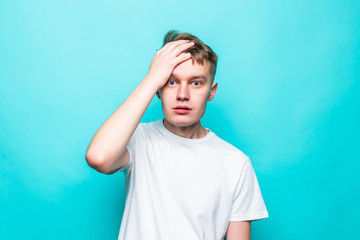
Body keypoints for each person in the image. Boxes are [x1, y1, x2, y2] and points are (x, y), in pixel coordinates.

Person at [85, 30, 269, 240]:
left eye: (196, 83)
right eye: (171, 82)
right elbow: (98, 157)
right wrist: (152, 78)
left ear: (212, 91)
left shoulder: (236, 163)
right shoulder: (138, 140)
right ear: (158, 90)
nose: (183, 95)